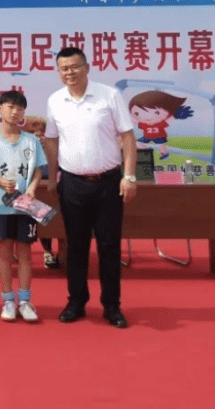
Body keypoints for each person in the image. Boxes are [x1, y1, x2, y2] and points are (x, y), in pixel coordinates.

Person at [44, 47, 136, 329]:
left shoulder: (109, 95)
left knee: (109, 246)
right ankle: (76, 302)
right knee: (75, 246)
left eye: (74, 67)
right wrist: (52, 175)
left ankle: (112, 306)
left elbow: (128, 136)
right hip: (72, 184)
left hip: (108, 182)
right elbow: (51, 140)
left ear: (87, 67)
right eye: (64, 69)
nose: (69, 73)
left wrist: (129, 176)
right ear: (59, 73)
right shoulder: (55, 101)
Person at [0, 91, 46, 323]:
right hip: (2, 204)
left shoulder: (30, 141)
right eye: (10, 107)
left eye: (19, 108)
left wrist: (33, 188)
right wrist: (0, 182)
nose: (15, 111)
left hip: (25, 204)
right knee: (5, 252)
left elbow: (39, 169)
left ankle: (25, 301)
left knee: (26, 252)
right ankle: (8, 300)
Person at [22, 115, 59, 270]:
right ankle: (48, 251)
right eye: (34, 133)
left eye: (41, 133)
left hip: (57, 189)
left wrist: (49, 148)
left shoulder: (57, 145)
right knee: (44, 217)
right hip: (34, 192)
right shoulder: (22, 146)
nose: (39, 136)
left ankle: (64, 252)